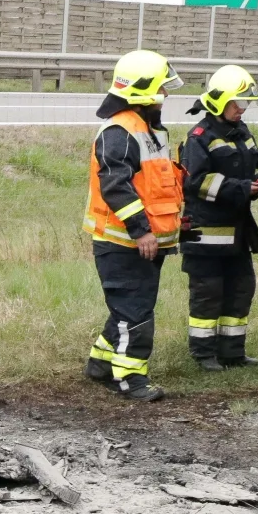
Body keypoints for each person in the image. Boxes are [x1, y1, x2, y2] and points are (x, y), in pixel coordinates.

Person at [83, 50, 185, 401]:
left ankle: (100, 364)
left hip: (142, 241)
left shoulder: (146, 129)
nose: (165, 95)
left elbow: (157, 186)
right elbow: (116, 186)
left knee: (128, 309)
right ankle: (130, 380)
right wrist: (141, 230)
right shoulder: (120, 131)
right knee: (135, 313)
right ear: (143, 93)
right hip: (124, 243)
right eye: (161, 89)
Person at [179, 65, 258, 371]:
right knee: (208, 295)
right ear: (218, 102)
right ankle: (203, 354)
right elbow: (196, 183)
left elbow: (249, 173)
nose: (242, 108)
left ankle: (232, 353)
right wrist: (243, 188)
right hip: (205, 234)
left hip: (238, 234)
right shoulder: (199, 138)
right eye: (237, 102)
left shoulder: (242, 132)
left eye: (245, 103)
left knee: (241, 289)